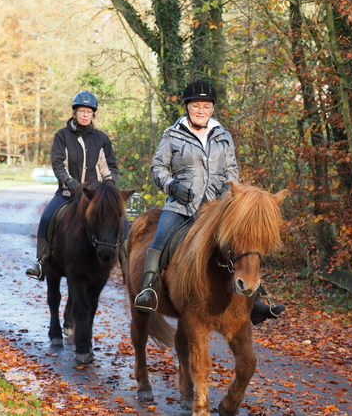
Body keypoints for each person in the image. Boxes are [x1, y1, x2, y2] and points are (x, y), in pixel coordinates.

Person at [133, 79, 285, 325]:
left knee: (245, 240)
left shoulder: (223, 136)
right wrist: (172, 186)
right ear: (187, 107)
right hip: (181, 206)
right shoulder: (172, 135)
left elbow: (232, 171)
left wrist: (230, 196)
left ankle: (256, 298)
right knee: (161, 238)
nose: (201, 110)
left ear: (212, 108)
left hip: (216, 207)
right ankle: (148, 290)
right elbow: (158, 167)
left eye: (206, 106)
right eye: (196, 106)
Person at [26, 90, 119, 280]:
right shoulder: (62, 136)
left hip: (96, 198)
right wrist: (70, 182)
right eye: (81, 111)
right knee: (46, 218)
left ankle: (125, 264)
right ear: (74, 113)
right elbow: (58, 164)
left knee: (122, 222)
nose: (85, 115)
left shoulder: (102, 139)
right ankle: (41, 261)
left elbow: (109, 166)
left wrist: (108, 186)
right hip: (68, 193)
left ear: (94, 114)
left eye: (89, 112)